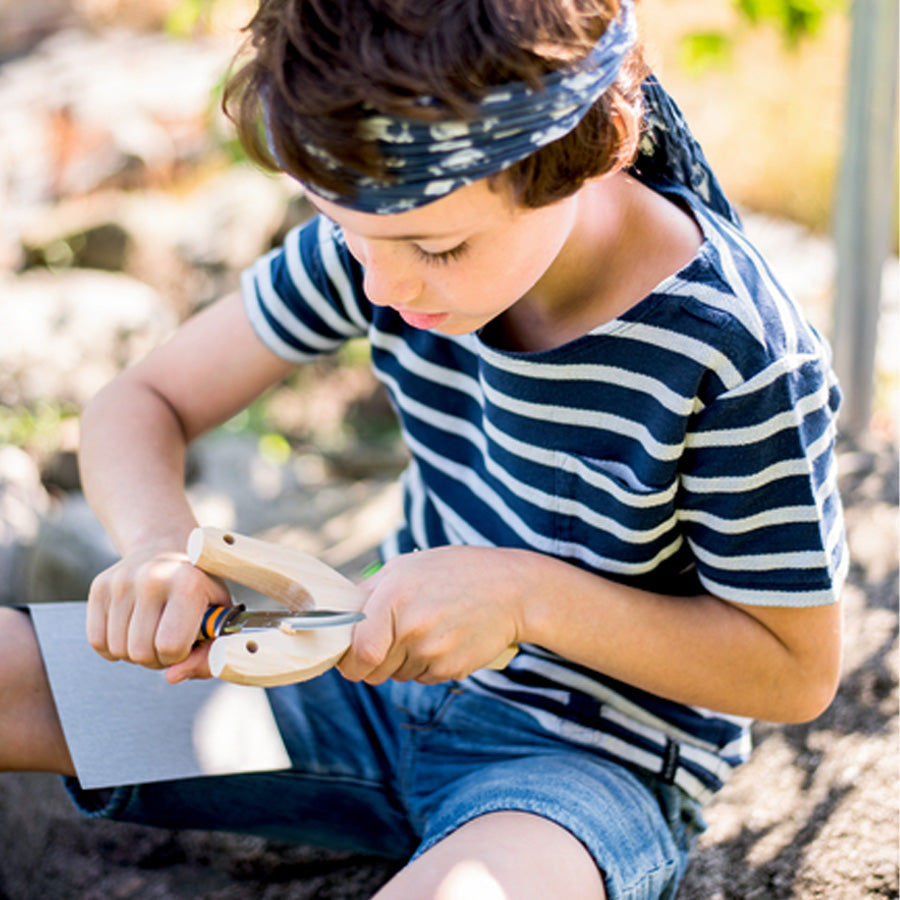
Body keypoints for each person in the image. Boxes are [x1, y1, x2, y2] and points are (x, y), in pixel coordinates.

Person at [0, 1, 846, 897]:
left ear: (587, 151)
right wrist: (158, 546)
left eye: (437, 249)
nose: (379, 285)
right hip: (340, 684)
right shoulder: (387, 222)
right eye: (343, 230)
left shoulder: (734, 351)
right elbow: (143, 401)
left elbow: (794, 669)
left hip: (577, 773)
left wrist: (523, 599)